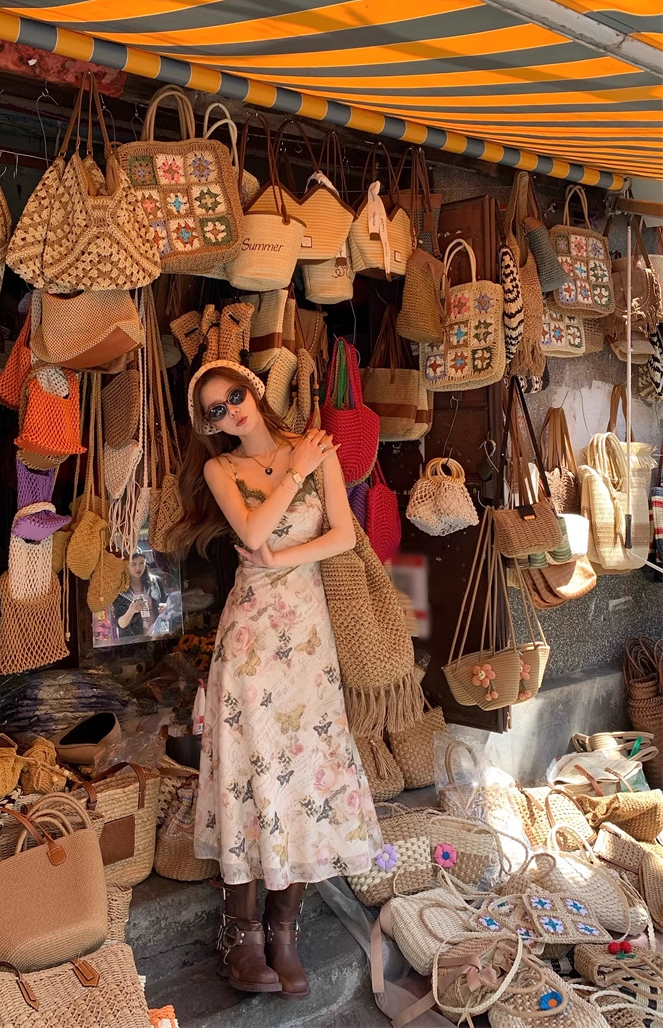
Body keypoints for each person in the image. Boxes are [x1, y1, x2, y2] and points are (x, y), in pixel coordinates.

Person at [169, 359, 382, 1000]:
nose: (230, 410)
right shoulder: (222, 469)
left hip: (309, 641)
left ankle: (282, 930)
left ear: (254, 391)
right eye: (214, 409)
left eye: (234, 395)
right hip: (253, 640)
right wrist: (292, 474)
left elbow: (345, 535)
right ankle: (242, 935)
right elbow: (253, 527)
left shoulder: (317, 448)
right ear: (209, 427)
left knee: (304, 766)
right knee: (247, 768)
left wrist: (277, 559)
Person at [114, 551, 167, 639]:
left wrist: (165, 607)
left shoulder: (155, 581)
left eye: (141, 563)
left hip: (157, 635)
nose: (138, 568)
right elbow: (120, 624)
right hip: (133, 641)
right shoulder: (119, 589)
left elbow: (166, 602)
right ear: (126, 565)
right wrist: (131, 611)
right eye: (133, 564)